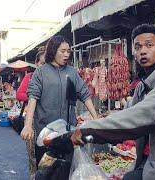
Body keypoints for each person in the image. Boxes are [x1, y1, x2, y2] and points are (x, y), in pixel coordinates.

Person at [71, 24, 155, 180]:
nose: (143, 51)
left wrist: (89, 129)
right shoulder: (143, 86)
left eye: (149, 45)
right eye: (138, 47)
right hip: (150, 162)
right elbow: (128, 112)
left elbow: (141, 116)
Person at [20, 35, 98, 168]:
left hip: (68, 133)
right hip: (46, 134)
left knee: (67, 171)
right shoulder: (40, 72)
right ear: (53, 50)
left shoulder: (72, 72)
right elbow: (32, 98)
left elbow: (84, 94)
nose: (66, 54)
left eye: (68, 51)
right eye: (63, 51)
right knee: (46, 172)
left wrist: (96, 119)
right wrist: (27, 125)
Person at [16, 48, 45, 180]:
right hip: (32, 120)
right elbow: (19, 94)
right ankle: (33, 176)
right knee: (32, 152)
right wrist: (34, 96)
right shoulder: (30, 77)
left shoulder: (53, 78)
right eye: (42, 63)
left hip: (49, 120)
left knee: (48, 153)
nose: (44, 67)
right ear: (36, 64)